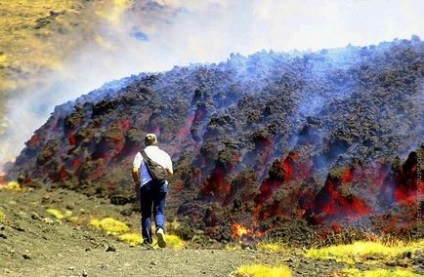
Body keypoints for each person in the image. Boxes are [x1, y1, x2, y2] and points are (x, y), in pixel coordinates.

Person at [132, 133, 173, 248]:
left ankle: (147, 240)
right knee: (159, 210)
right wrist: (161, 178)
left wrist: (137, 181)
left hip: (146, 185)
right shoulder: (164, 154)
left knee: (146, 213)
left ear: (145, 142)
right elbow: (170, 172)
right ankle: (160, 229)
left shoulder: (141, 154)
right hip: (161, 185)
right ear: (156, 142)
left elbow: (135, 170)